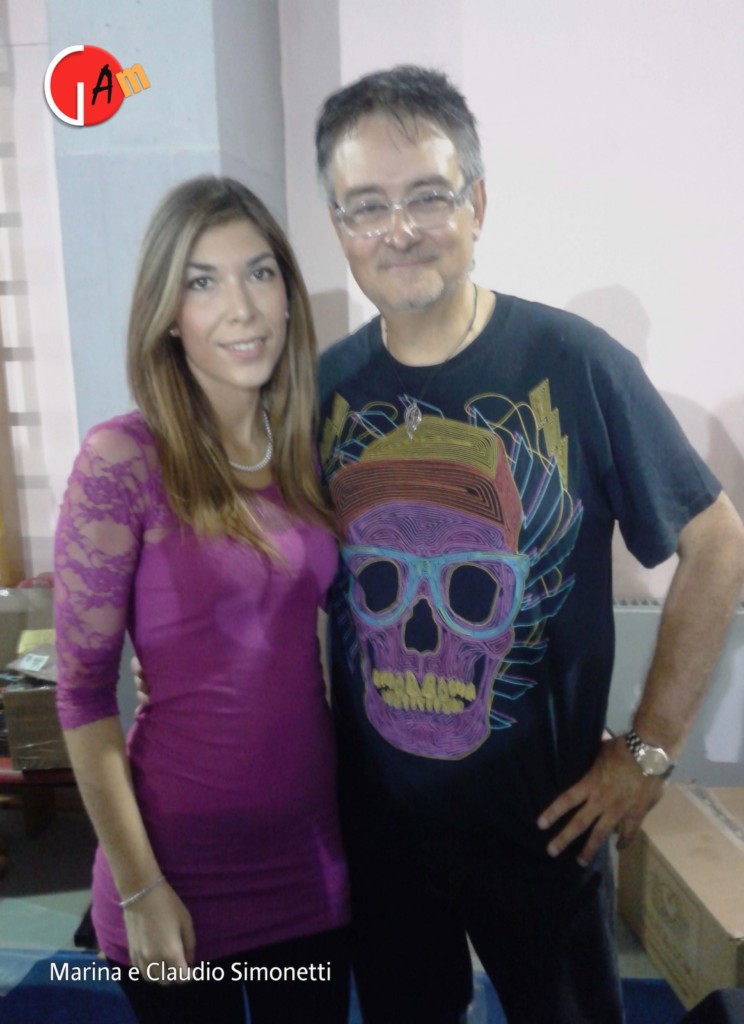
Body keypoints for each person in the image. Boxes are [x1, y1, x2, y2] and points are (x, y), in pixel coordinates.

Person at [313, 66, 744, 1024]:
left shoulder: (577, 364)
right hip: (382, 842)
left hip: (546, 835)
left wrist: (651, 748)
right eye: (367, 205)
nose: (399, 228)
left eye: (428, 195)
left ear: (476, 204)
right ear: (339, 227)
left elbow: (718, 542)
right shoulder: (321, 390)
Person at [54, 176, 350, 1024]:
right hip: (177, 872)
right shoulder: (124, 460)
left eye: (259, 273)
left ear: (288, 294)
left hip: (310, 867)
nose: (242, 308)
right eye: (203, 282)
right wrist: (141, 886)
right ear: (168, 315)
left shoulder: (306, 448)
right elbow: (81, 695)